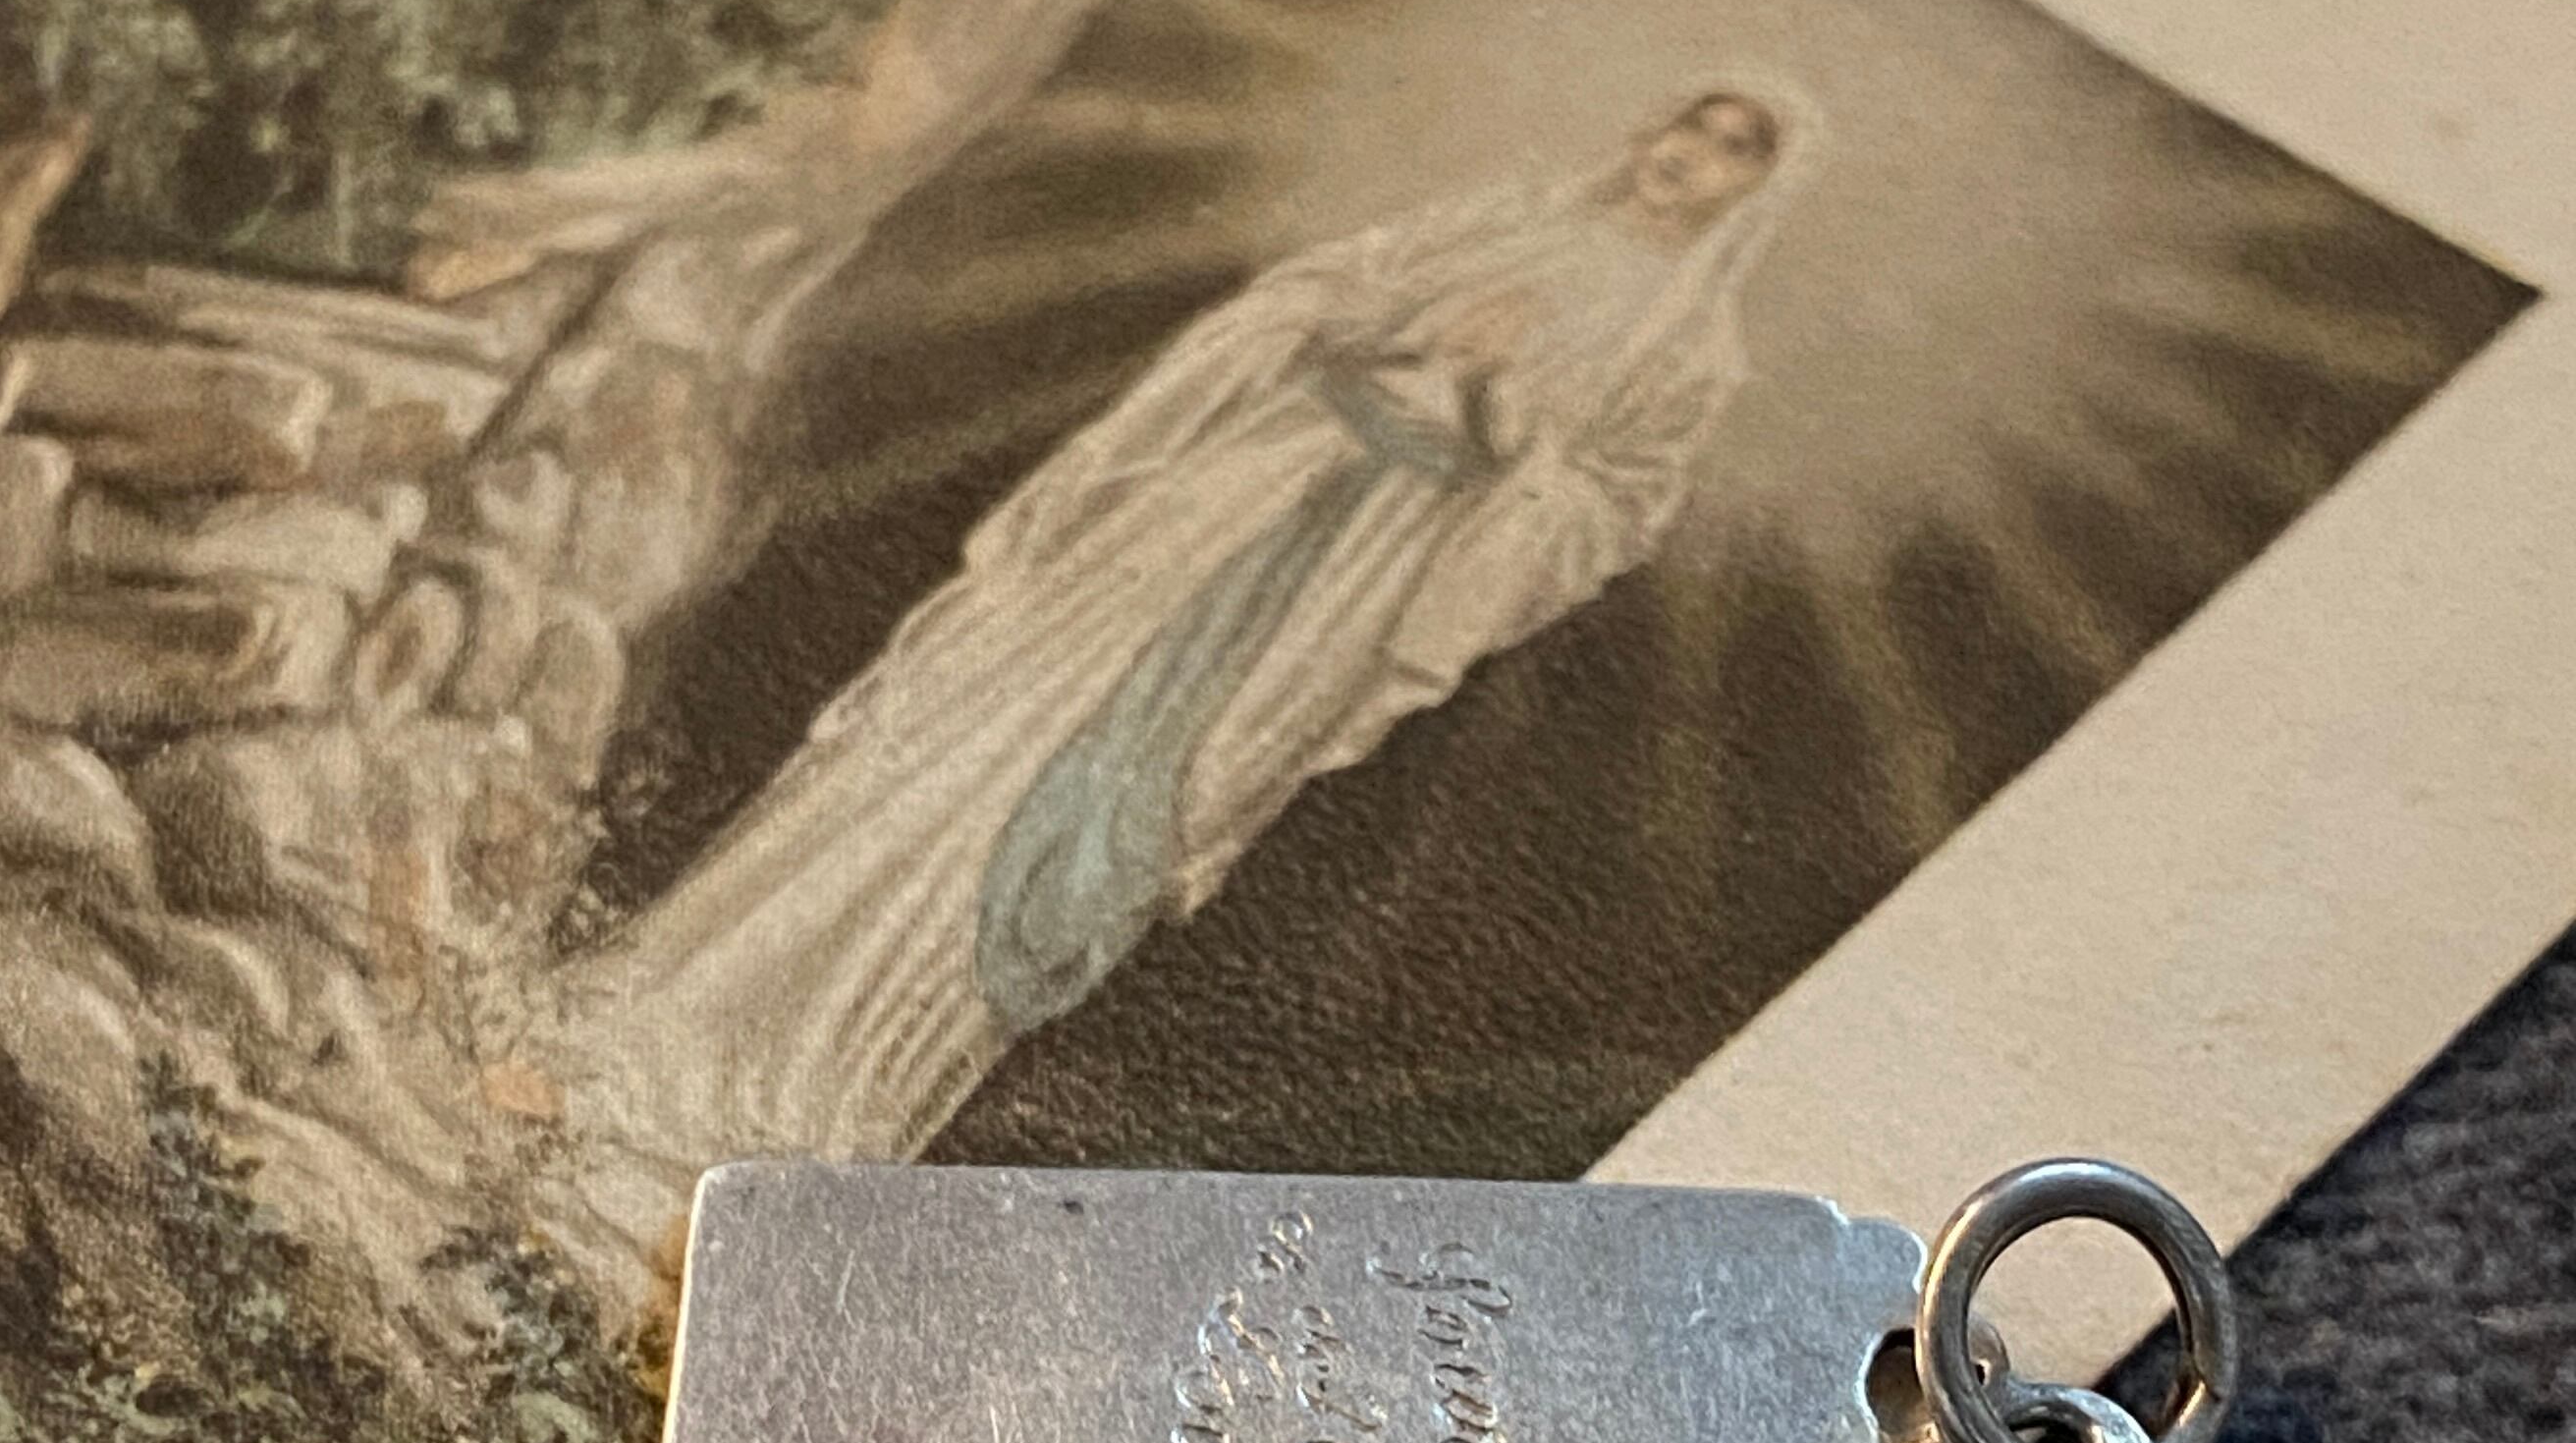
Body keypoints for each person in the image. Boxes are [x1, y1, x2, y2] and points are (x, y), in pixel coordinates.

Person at [561, 80, 1824, 1273]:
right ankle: (673, 1014)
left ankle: (814, 1105)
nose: (1692, 158)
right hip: (1227, 494)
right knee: (972, 720)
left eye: (1734, 152)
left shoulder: (1688, 355)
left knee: (1124, 815)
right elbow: (1299, 307)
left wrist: (1503, 417)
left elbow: (1601, 516)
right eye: (1692, 125)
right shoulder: (1499, 222)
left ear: (1754, 197)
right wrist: (1394, 333)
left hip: (1348, 589)